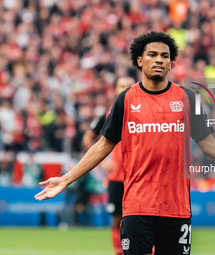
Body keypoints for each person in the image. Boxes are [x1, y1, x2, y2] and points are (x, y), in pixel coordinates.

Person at [35, 31, 215, 255]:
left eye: (165, 56)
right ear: (140, 60)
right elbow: (102, 146)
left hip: (176, 209)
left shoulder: (187, 98)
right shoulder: (126, 99)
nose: (159, 59)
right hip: (137, 207)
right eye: (152, 54)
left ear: (172, 64)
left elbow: (209, 144)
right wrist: (66, 179)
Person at [82, 77, 134, 255]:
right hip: (117, 176)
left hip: (138, 176)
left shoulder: (143, 111)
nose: (125, 89)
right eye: (121, 86)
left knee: (141, 219)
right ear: (114, 90)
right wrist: (102, 163)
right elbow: (87, 138)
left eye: (128, 86)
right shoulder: (108, 113)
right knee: (116, 219)